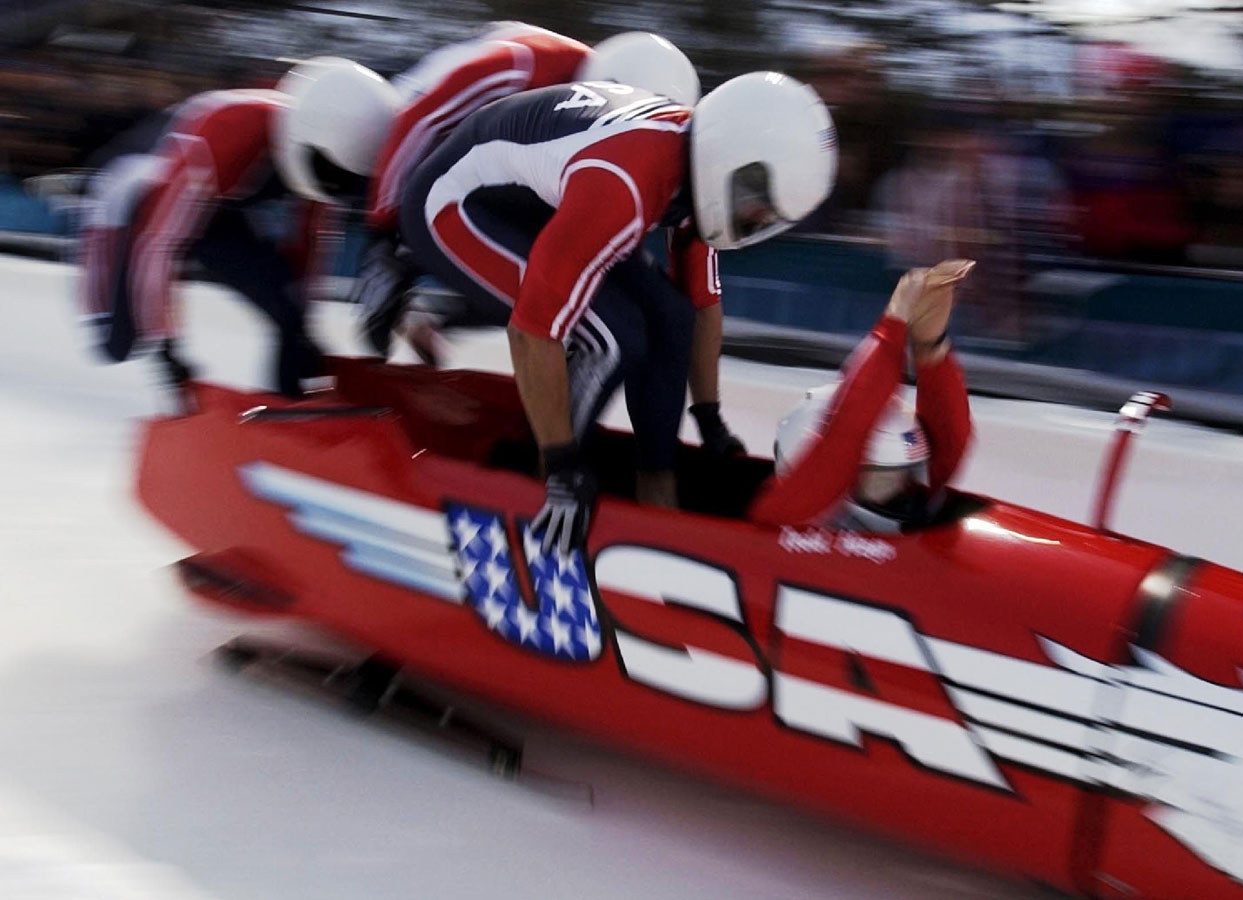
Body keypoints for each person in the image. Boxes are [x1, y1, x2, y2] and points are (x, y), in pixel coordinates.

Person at [397, 72, 837, 556]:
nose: (757, 219)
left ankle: (656, 498)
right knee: (613, 338)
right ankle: (541, 487)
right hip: (456, 203)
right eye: (759, 202)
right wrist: (563, 465)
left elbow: (699, 307)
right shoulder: (624, 184)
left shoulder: (695, 164)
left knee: (668, 318)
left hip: (538, 198)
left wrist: (709, 418)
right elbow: (532, 332)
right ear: (730, 158)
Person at [354, 25, 701, 361]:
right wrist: (381, 231)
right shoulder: (524, 63)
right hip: (407, 145)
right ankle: (396, 266)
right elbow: (420, 120)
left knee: (545, 274)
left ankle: (436, 317)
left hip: (488, 177)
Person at [78, 57, 399, 398]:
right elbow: (158, 244)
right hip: (136, 201)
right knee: (120, 343)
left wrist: (301, 326)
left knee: (288, 310)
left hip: (215, 210)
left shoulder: (321, 156)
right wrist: (166, 345)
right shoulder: (224, 134)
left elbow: (310, 241)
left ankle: (290, 411)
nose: (333, 184)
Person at [752, 259, 974, 532]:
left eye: (905, 477)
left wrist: (931, 348)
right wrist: (893, 322)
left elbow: (949, 444)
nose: (904, 492)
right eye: (886, 481)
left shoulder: (906, 512)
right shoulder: (781, 514)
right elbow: (846, 431)